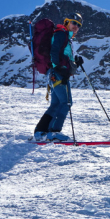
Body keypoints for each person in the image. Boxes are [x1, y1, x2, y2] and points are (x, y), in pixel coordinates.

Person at [33, 13, 84, 141]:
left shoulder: (66, 37)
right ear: (67, 22)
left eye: (78, 25)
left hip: (56, 73)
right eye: (74, 23)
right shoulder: (61, 34)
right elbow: (54, 51)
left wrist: (75, 64)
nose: (76, 26)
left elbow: (63, 57)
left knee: (56, 104)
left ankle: (40, 132)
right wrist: (57, 67)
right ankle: (54, 132)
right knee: (66, 103)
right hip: (57, 74)